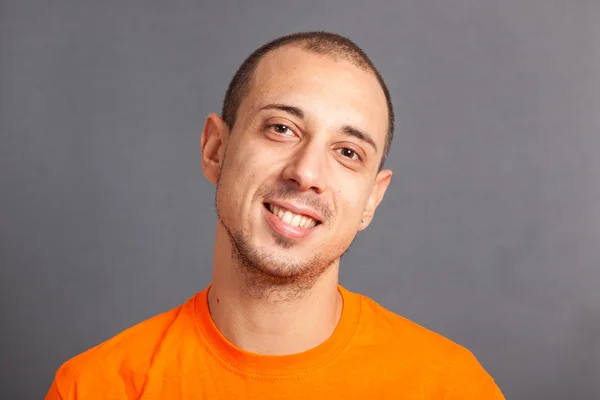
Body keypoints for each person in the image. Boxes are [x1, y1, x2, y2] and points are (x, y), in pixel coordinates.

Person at [45, 31, 505, 399]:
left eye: (347, 152)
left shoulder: (450, 387)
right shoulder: (96, 387)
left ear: (371, 200)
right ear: (216, 150)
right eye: (282, 129)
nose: (307, 173)